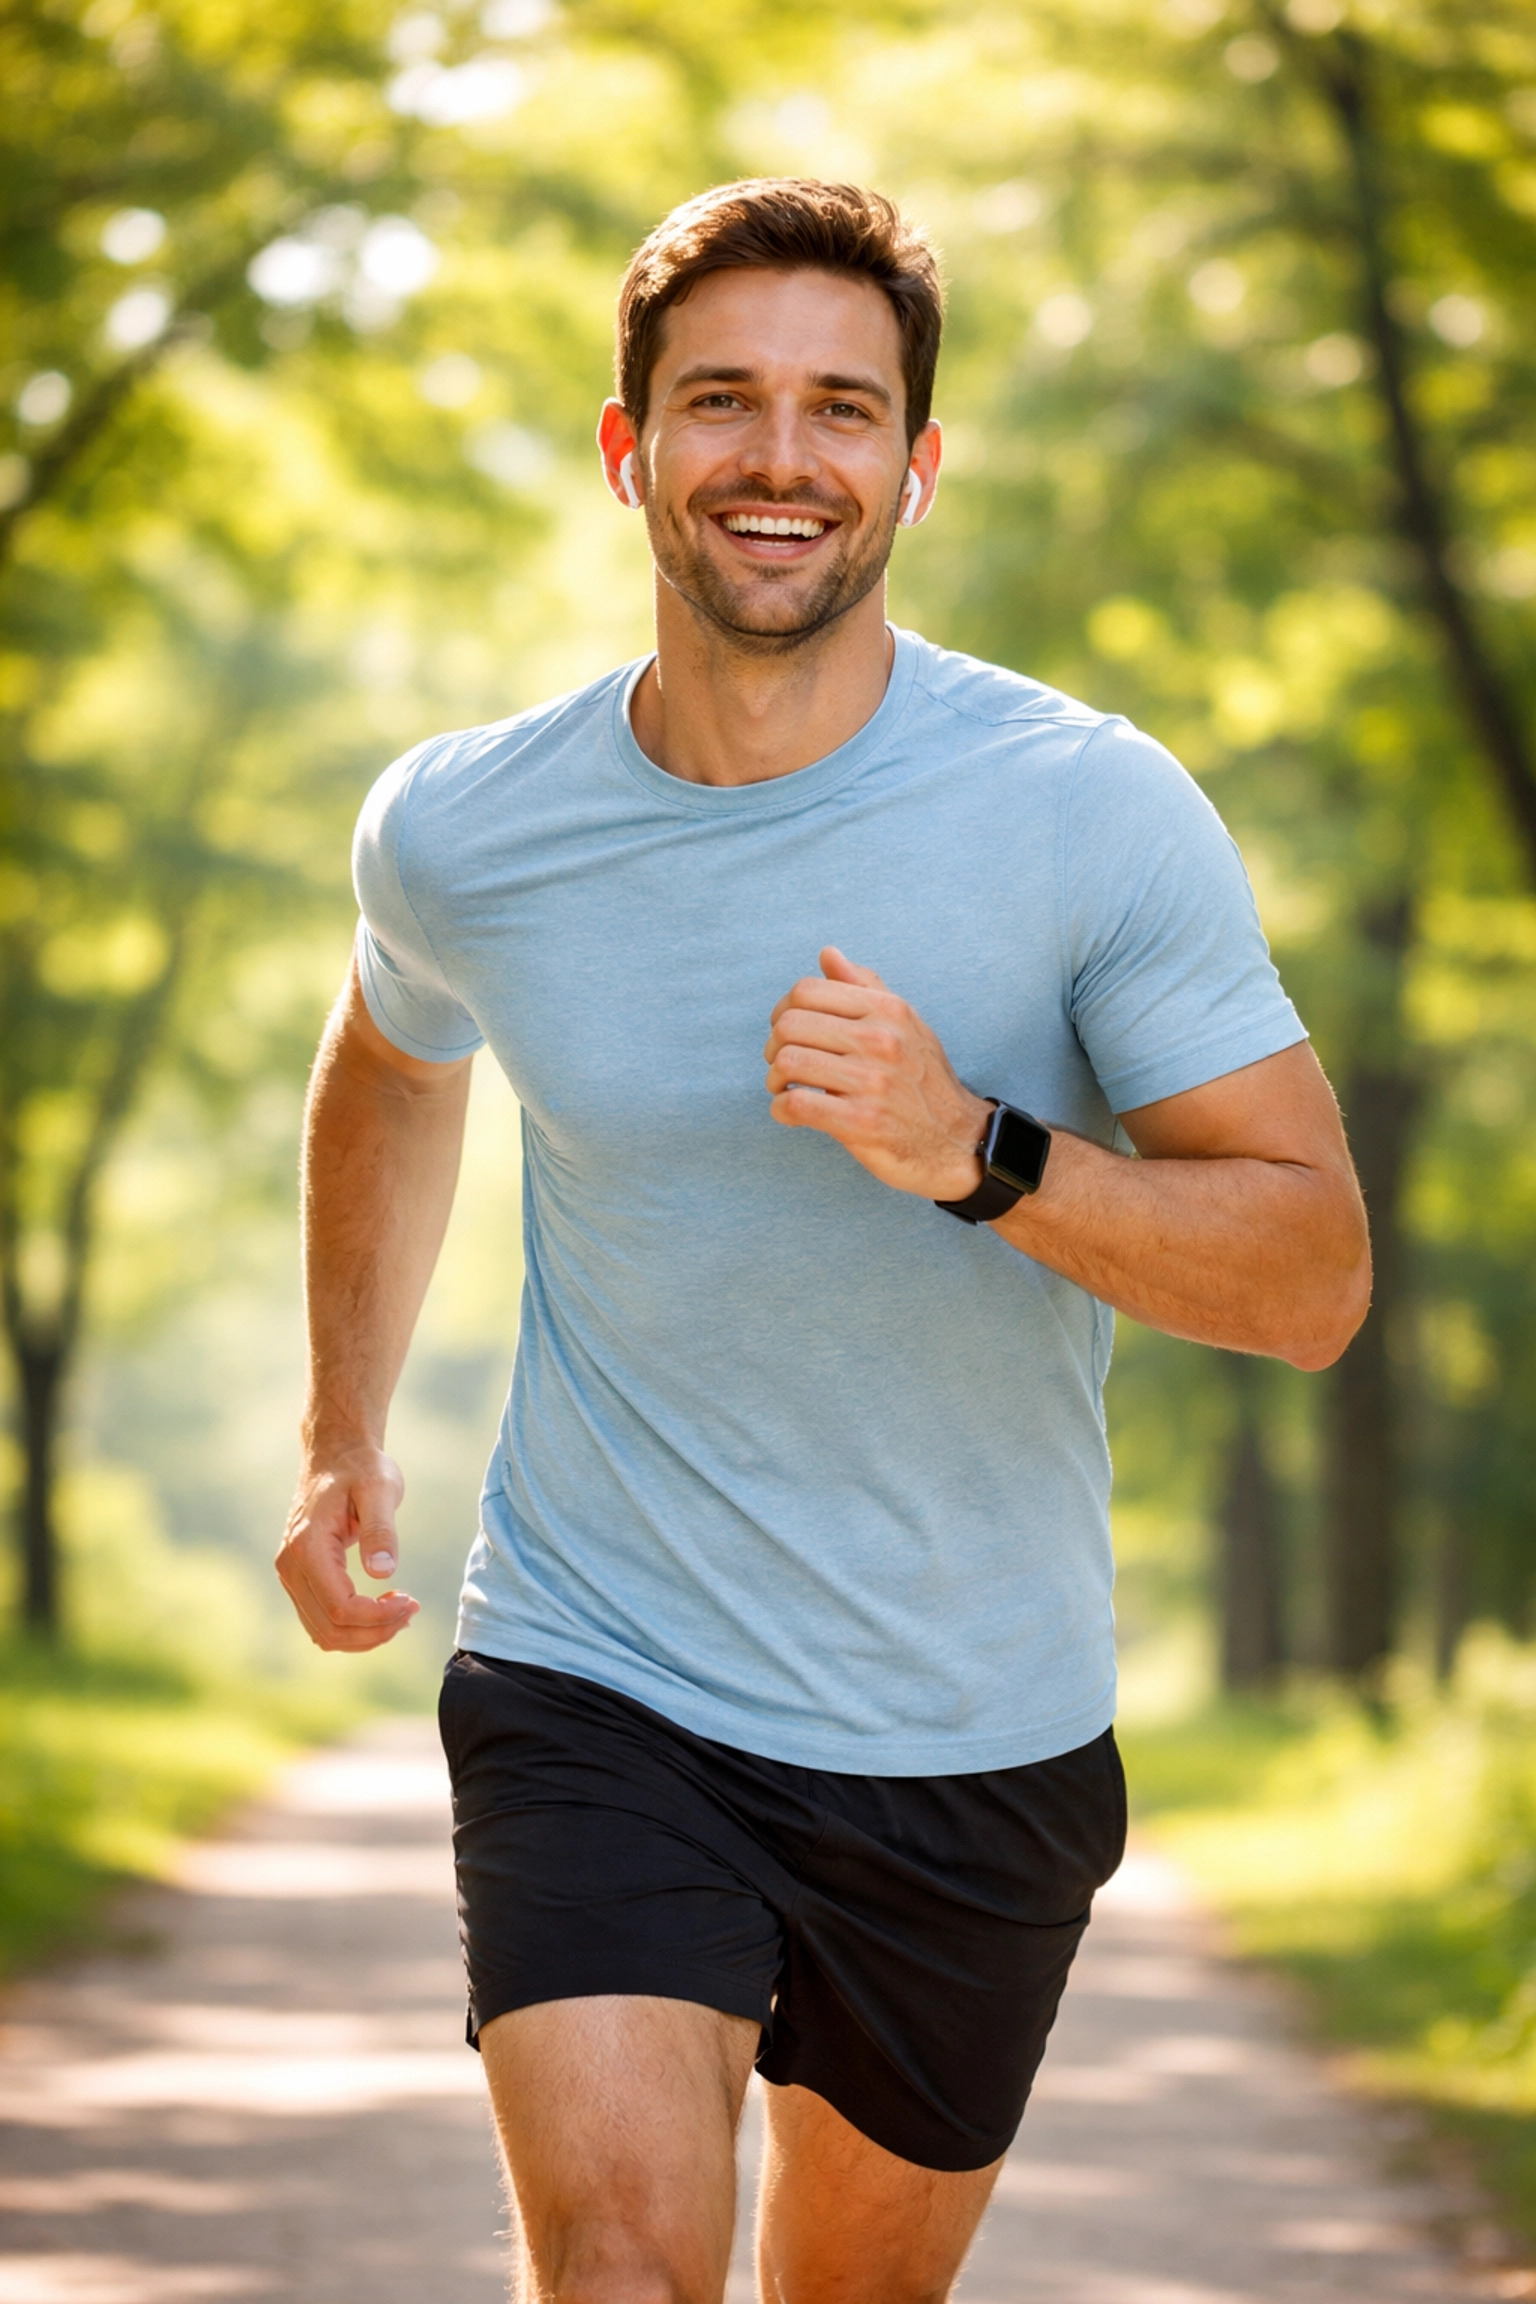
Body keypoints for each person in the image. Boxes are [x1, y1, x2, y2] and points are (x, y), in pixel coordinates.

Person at [276, 178, 1369, 2304]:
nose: (782, 458)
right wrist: (342, 1427)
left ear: (916, 468)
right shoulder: (468, 826)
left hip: (970, 1725)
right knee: (625, 2272)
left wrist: (982, 1148)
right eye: (722, 403)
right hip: (598, 1670)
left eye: (843, 410)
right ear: (629, 451)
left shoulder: (1087, 808)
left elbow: (1313, 1274)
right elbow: (394, 1056)